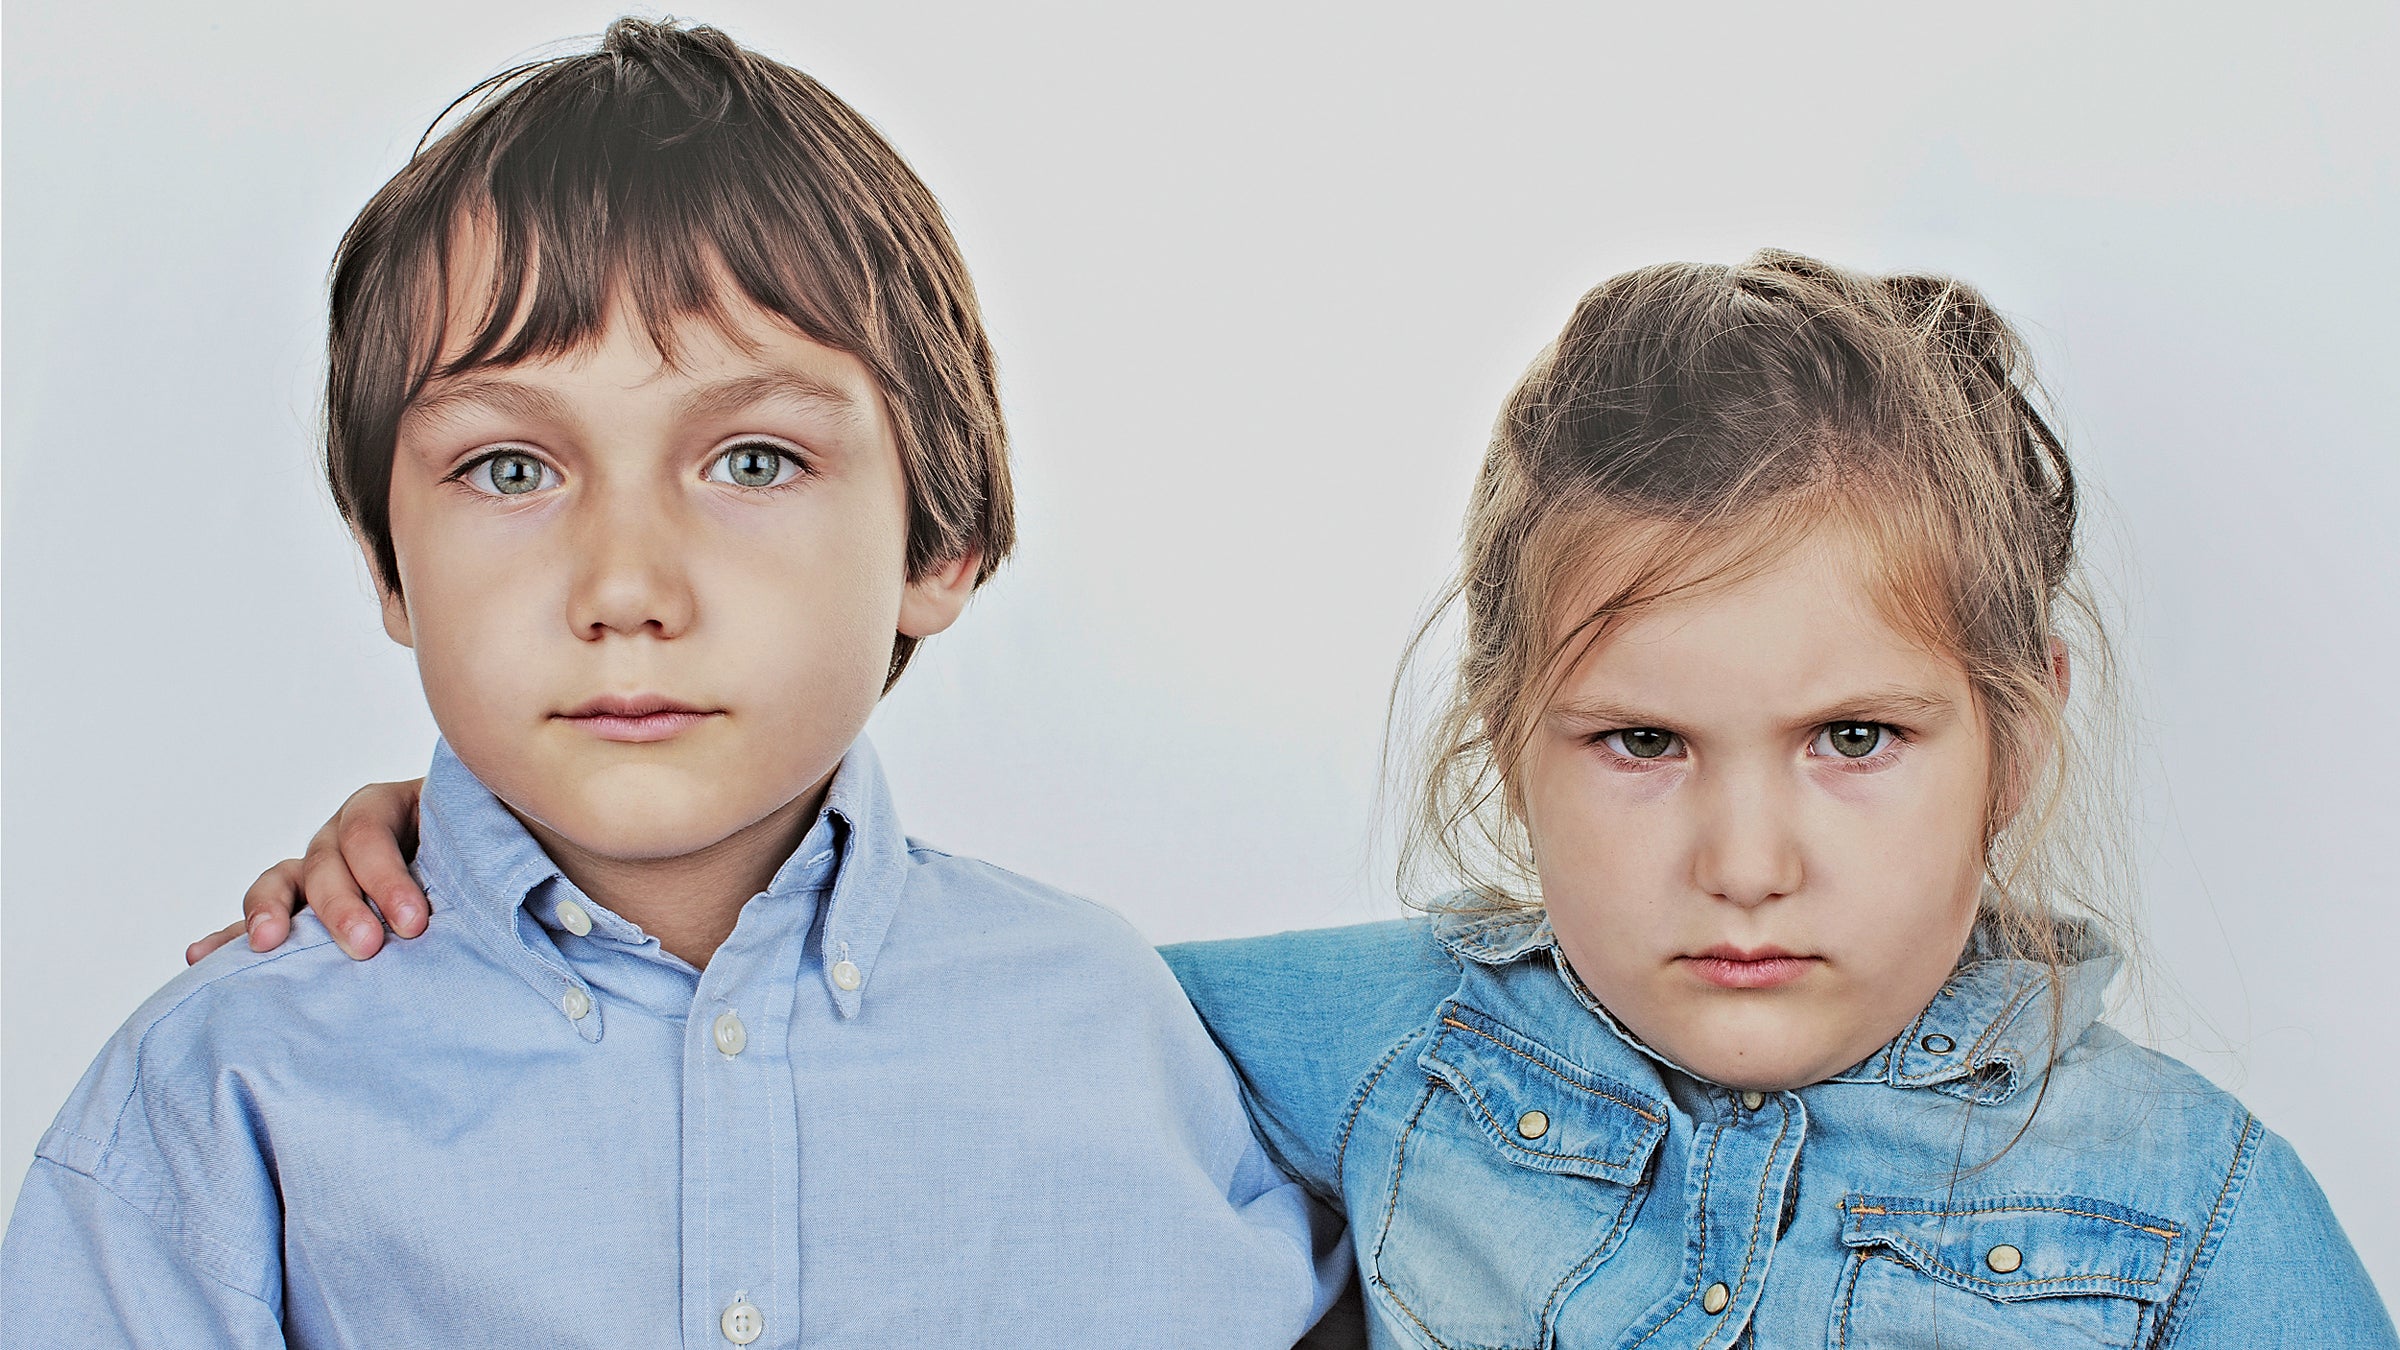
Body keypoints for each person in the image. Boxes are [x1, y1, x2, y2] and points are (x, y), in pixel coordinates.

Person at [230, 251, 2398, 1346]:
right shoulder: (1391, 1050)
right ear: (1508, 724)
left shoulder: (2187, 1210)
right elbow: (908, 999)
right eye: (1641, 745)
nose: (1746, 861)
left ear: (2015, 724)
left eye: (1857, 740)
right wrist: (516, 831)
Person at [0, 19, 1346, 1347]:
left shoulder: (1117, 1032)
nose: (625, 585)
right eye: (511, 469)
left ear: (939, 542)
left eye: (753, 460)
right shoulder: (222, 1098)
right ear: (389, 566)